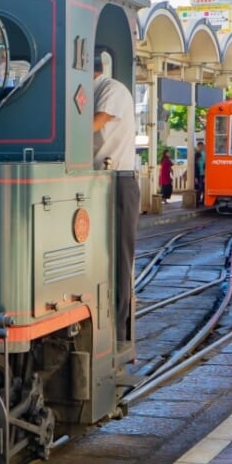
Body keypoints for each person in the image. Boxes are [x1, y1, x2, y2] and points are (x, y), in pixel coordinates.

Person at [92, 52, 137, 342]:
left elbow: (95, 123)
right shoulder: (89, 92)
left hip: (118, 181)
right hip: (96, 182)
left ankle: (121, 333)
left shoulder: (112, 89)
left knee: (120, 258)